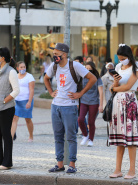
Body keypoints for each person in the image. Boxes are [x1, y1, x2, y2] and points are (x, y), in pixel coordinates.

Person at [44, 43, 97, 173]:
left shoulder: (75, 66)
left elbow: (92, 78)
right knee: (58, 136)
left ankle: (72, 164)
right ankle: (60, 164)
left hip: (69, 106)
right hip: (56, 106)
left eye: (57, 54)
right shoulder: (54, 66)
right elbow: (46, 78)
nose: (54, 56)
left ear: (64, 54)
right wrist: (51, 92)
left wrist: (80, 94)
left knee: (71, 136)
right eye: (54, 54)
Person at [108, 44, 138, 179]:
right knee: (119, 137)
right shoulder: (118, 67)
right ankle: (117, 169)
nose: (121, 60)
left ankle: (132, 170)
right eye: (119, 58)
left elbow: (129, 86)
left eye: (123, 58)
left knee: (130, 137)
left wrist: (114, 89)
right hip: (118, 102)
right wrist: (115, 84)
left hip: (129, 100)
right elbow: (114, 86)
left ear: (129, 57)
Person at [0, 47, 20, 170]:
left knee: (6, 134)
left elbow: (16, 90)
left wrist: (4, 100)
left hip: (7, 108)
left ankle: (7, 162)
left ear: (3, 58)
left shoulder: (11, 71)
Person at [78, 62, 103, 147]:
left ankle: (91, 139)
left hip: (94, 102)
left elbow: (101, 92)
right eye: (86, 68)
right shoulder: (82, 77)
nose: (88, 70)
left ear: (93, 68)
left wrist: (101, 104)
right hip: (83, 101)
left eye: (89, 68)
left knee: (91, 122)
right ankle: (85, 135)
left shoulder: (97, 78)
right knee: (80, 119)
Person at [11, 61, 35, 142]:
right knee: (14, 118)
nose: (23, 68)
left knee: (27, 119)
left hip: (26, 101)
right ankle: (10, 138)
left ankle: (31, 136)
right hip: (17, 101)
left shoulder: (30, 77)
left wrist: (29, 101)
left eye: (24, 67)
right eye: (21, 67)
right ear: (17, 68)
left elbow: (31, 90)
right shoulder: (15, 76)